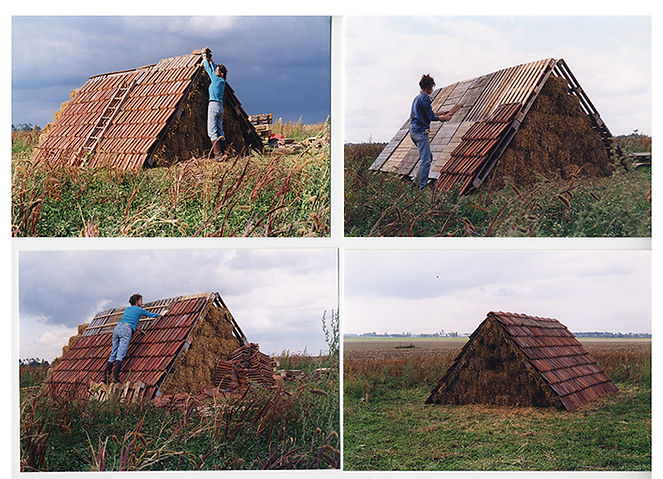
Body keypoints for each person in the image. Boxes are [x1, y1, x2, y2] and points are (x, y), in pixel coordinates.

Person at [410, 74, 462, 189]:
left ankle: (416, 182)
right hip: (421, 132)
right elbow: (430, 117)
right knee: (426, 160)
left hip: (414, 132)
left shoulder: (417, 98)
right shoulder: (424, 99)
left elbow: (428, 113)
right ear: (428, 86)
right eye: (432, 87)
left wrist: (443, 113)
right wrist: (444, 118)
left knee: (428, 158)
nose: (432, 90)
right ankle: (421, 187)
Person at [104, 294, 160, 383]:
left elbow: (129, 321)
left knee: (113, 353)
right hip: (125, 330)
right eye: (141, 300)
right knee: (120, 354)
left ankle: (105, 378)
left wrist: (137, 329)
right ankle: (115, 378)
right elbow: (151, 315)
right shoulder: (139, 309)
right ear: (137, 301)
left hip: (117, 328)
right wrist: (160, 315)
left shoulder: (127, 309)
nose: (142, 302)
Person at [200, 47, 228, 160]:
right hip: (220, 106)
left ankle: (218, 155)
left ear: (220, 73)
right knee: (220, 129)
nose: (215, 72)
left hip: (213, 105)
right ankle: (224, 152)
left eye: (217, 71)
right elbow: (213, 67)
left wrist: (204, 56)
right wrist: (211, 59)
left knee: (211, 130)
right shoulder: (222, 81)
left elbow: (207, 67)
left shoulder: (216, 79)